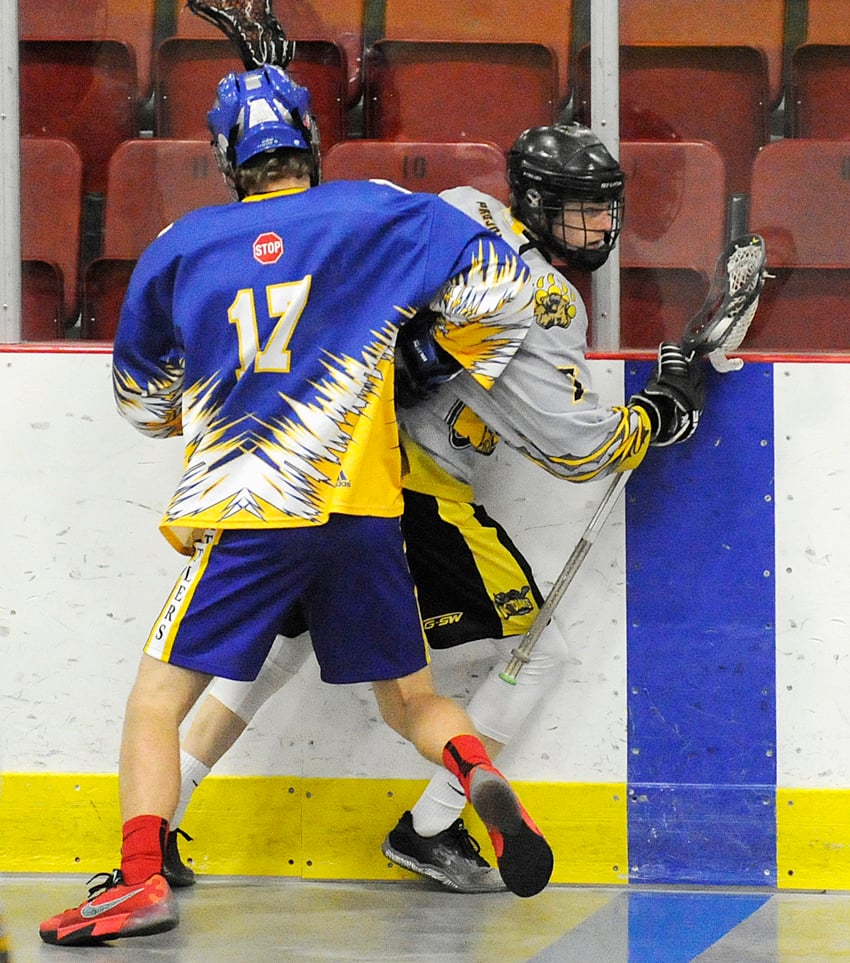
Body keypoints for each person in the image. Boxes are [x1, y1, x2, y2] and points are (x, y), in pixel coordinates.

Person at [38, 66, 554, 948]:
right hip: (361, 513)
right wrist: (415, 358)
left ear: (228, 157)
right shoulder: (378, 212)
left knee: (158, 696)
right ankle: (477, 780)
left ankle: (136, 881)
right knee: (412, 700)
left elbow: (142, 402)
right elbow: (507, 295)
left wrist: (209, 396)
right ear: (309, 144)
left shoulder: (183, 244)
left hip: (249, 510)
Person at [160, 123, 705, 893]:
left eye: (605, 209)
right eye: (585, 209)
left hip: (320, 468)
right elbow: (576, 448)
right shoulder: (542, 301)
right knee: (538, 655)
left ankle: (161, 815)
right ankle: (435, 823)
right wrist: (659, 414)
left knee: (281, 649)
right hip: (409, 490)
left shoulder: (457, 207)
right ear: (542, 203)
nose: (601, 227)